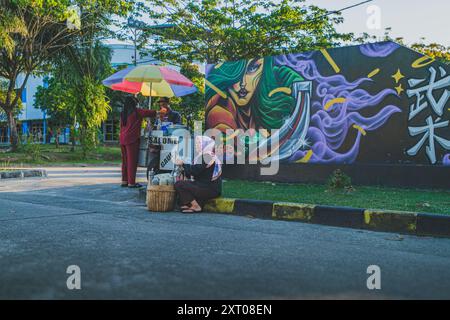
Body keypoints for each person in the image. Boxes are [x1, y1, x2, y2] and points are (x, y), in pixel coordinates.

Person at [174, 136, 222, 213]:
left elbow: (195, 170)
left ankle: (196, 206)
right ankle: (191, 205)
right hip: (204, 186)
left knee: (179, 184)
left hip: (209, 188)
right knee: (182, 190)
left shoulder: (207, 156)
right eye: (196, 143)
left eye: (199, 143)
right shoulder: (203, 156)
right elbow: (195, 172)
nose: (197, 145)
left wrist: (183, 164)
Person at [120, 95, 157, 188]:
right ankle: (131, 183)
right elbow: (151, 113)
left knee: (125, 161)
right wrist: (161, 111)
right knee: (132, 161)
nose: (137, 104)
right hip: (132, 139)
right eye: (136, 102)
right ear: (134, 103)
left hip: (122, 139)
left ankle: (124, 181)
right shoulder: (136, 111)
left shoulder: (123, 113)